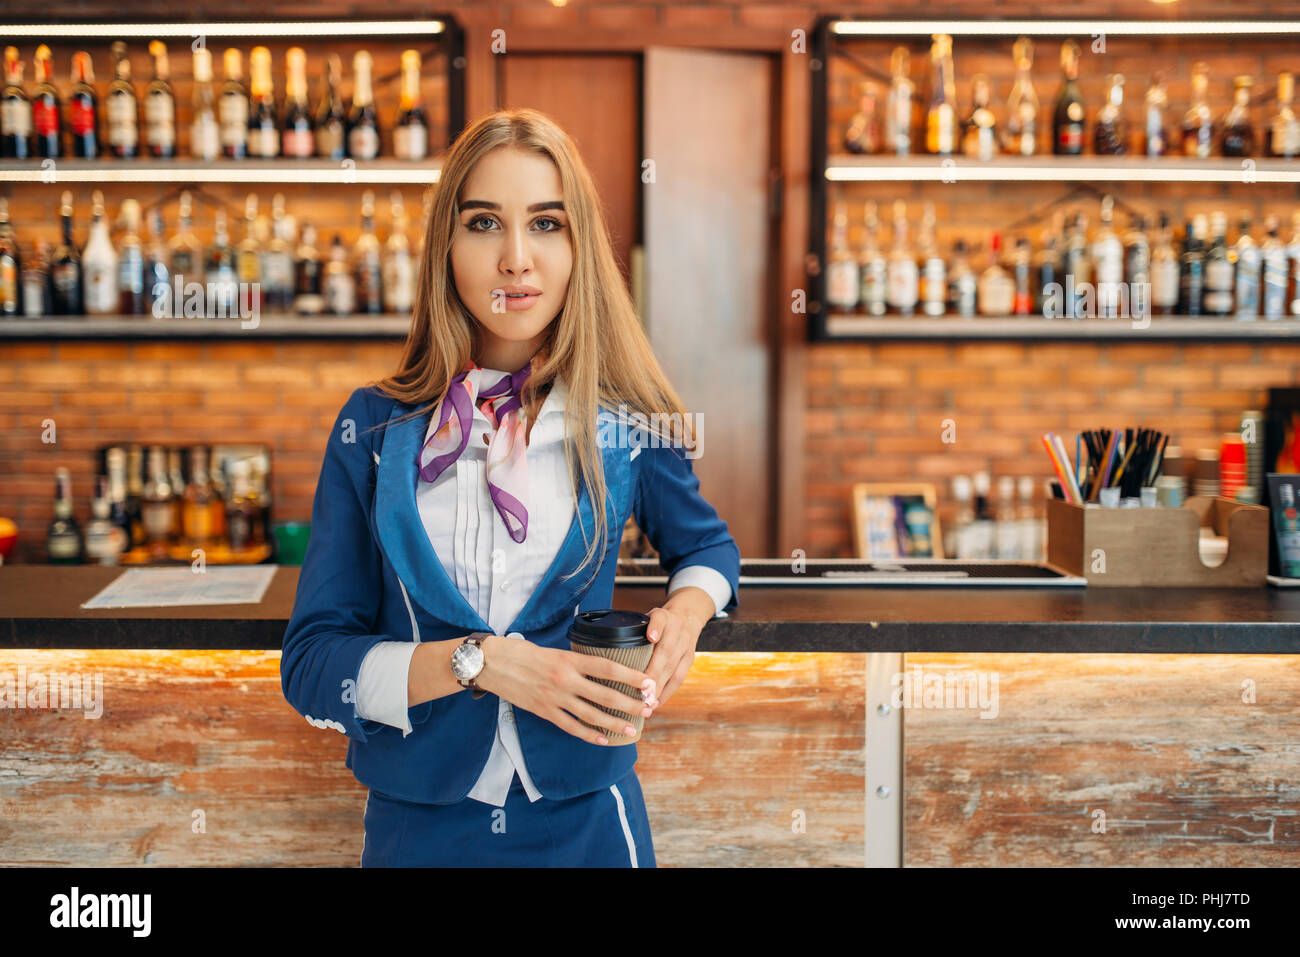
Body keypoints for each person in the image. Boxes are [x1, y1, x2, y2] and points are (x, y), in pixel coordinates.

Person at [280, 107, 741, 867]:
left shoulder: (621, 420)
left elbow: (708, 548)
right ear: (447, 246)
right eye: (486, 223)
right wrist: (480, 660)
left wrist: (689, 609)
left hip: (588, 821)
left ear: (578, 246)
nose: (517, 259)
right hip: (415, 828)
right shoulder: (371, 428)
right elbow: (312, 666)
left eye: (548, 225)